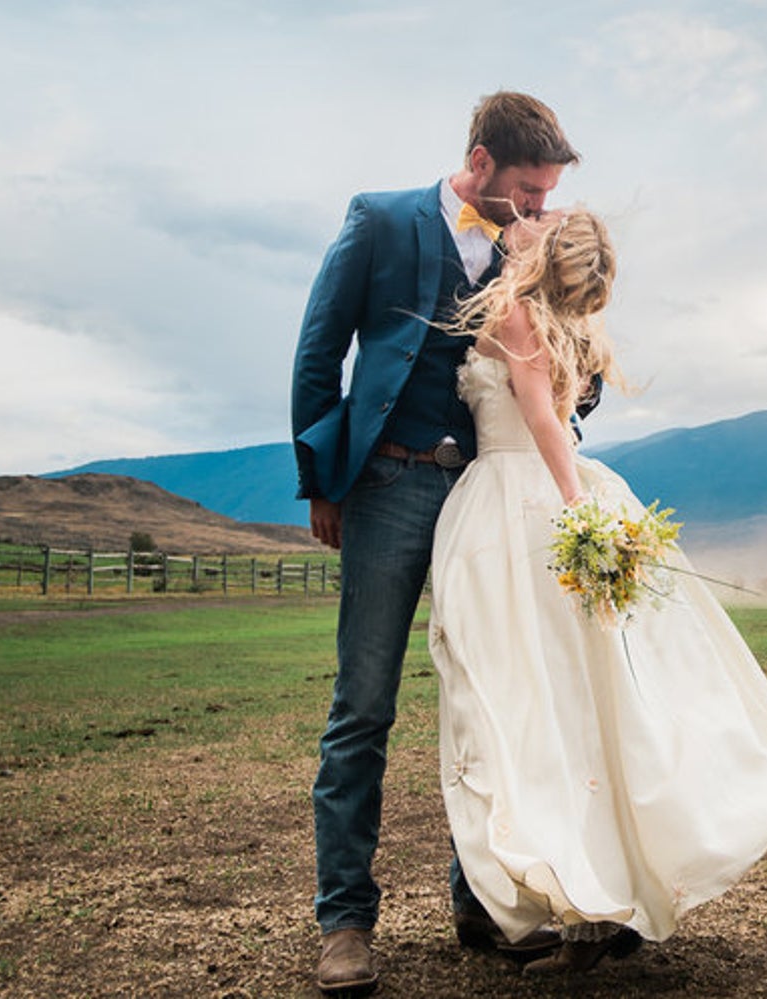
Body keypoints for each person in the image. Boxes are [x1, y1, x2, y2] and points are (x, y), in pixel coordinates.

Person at [429, 210, 767, 974]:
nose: (523, 220)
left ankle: (586, 894)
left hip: (517, 510)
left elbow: (541, 418)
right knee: (586, 705)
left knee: (529, 702)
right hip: (552, 496)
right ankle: (598, 894)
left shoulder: (517, 313)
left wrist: (579, 520)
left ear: (544, 254)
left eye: (537, 217)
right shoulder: (565, 325)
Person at [289, 91, 580, 996]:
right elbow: (319, 348)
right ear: (482, 160)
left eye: (546, 196)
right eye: (528, 191)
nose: (536, 210)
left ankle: (483, 902)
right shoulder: (379, 218)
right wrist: (323, 479)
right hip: (384, 488)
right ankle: (346, 923)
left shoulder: (528, 248)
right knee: (364, 705)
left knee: (488, 702)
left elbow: (556, 370)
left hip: (484, 496)